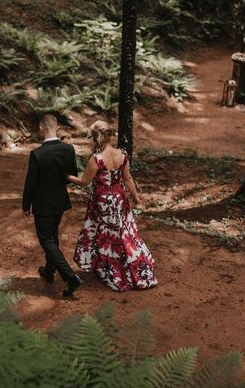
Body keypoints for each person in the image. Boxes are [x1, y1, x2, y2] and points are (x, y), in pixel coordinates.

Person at [67, 120, 157, 292]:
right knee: (124, 233)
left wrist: (67, 176)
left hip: (103, 203)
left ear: (95, 137)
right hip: (120, 199)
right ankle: (134, 267)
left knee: (106, 237)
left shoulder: (96, 159)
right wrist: (136, 197)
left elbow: (84, 181)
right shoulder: (122, 154)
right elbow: (128, 178)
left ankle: (112, 271)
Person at [22, 114, 84, 298]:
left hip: (43, 204)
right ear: (57, 128)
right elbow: (70, 175)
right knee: (52, 235)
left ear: (41, 128)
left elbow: (31, 183)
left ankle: (70, 277)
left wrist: (26, 204)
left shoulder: (37, 154)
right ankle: (49, 271)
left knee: (47, 240)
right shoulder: (68, 149)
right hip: (59, 201)